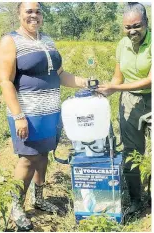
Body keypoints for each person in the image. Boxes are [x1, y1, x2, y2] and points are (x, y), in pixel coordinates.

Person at [0, 2, 88, 231]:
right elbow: (5, 81)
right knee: (28, 159)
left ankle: (39, 199)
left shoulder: (47, 39)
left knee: (44, 155)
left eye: (38, 11)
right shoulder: (11, 41)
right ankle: (16, 206)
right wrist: (18, 116)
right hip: (27, 115)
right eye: (29, 11)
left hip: (50, 113)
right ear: (19, 14)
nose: (34, 15)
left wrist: (85, 82)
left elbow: (60, 74)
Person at [97, 2, 151, 214]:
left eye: (136, 26)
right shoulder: (122, 44)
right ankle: (137, 200)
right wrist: (107, 90)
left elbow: (150, 80)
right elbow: (118, 76)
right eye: (127, 27)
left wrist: (116, 86)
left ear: (146, 23)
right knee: (131, 152)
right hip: (129, 101)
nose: (132, 31)